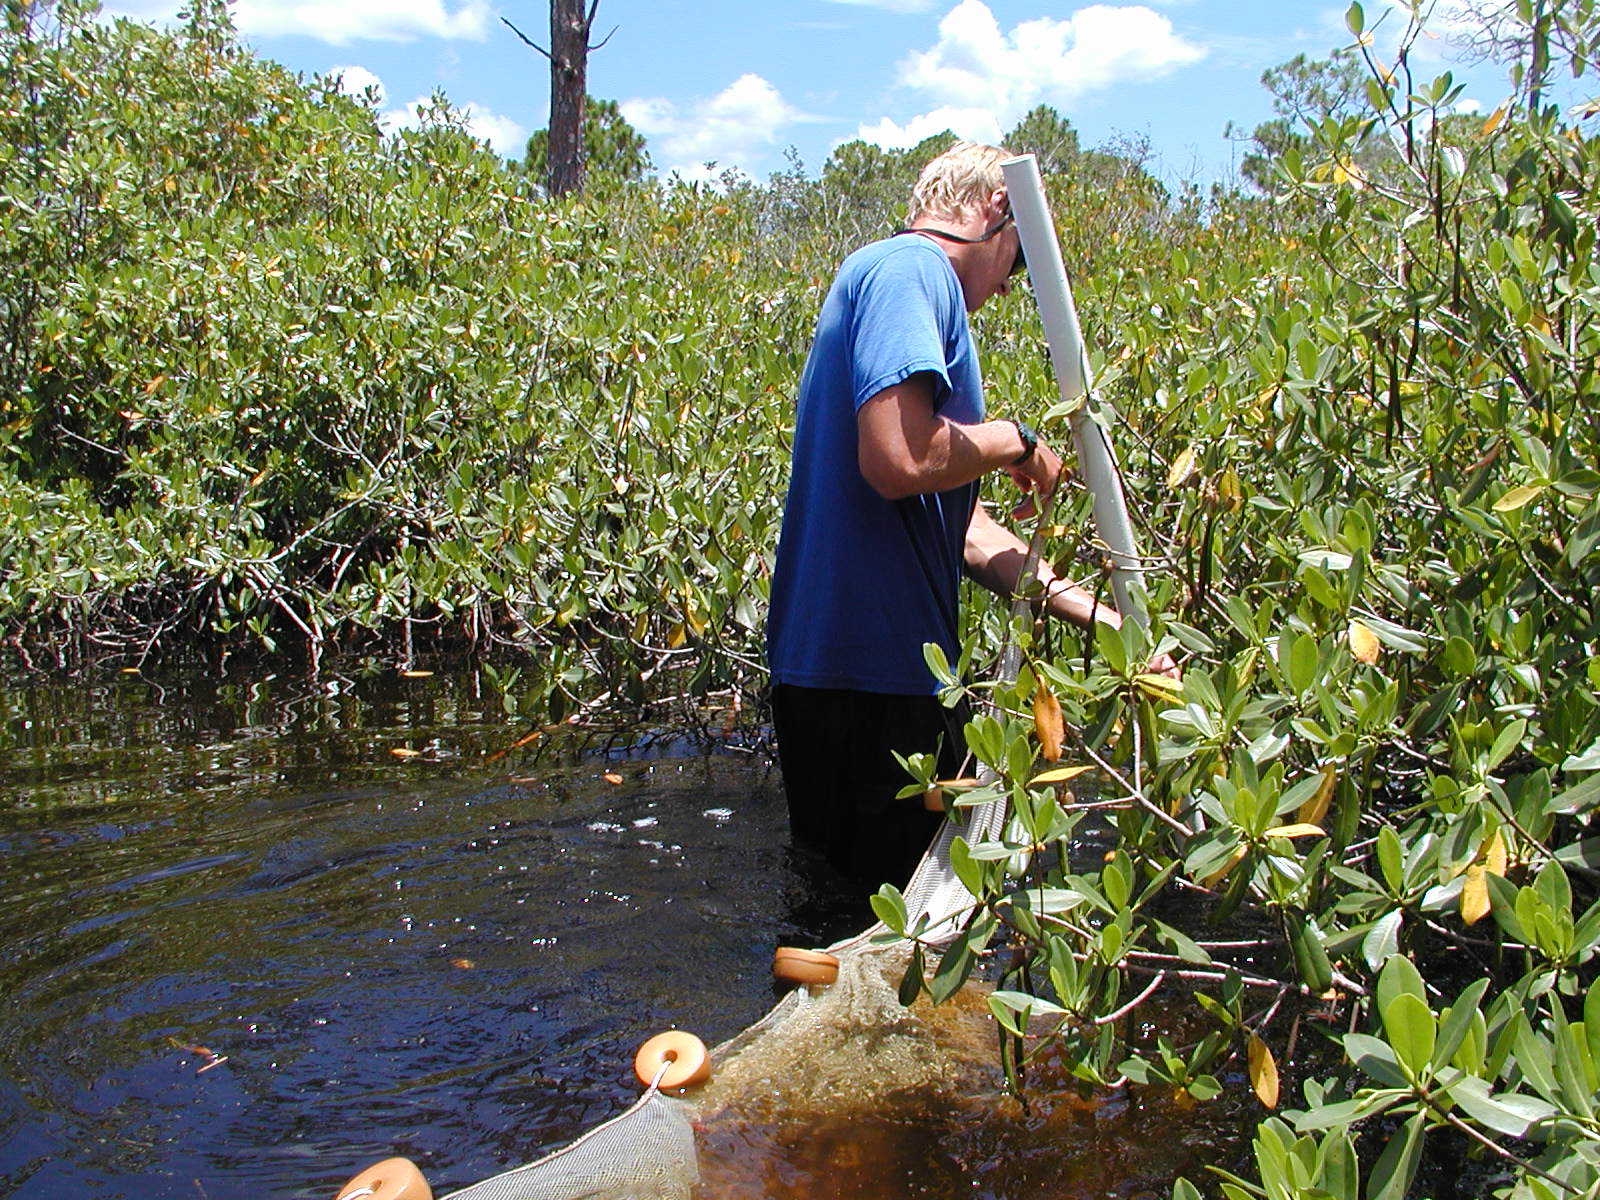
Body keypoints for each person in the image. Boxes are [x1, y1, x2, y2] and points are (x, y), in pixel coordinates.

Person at [766, 141, 1167, 896]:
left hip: (854, 679)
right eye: (1019, 263)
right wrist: (1013, 440)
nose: (1013, 288)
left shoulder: (894, 279)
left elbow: (969, 533)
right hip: (870, 681)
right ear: (995, 213)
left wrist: (1102, 619)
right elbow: (898, 458)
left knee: (850, 921)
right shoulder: (910, 269)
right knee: (887, 929)